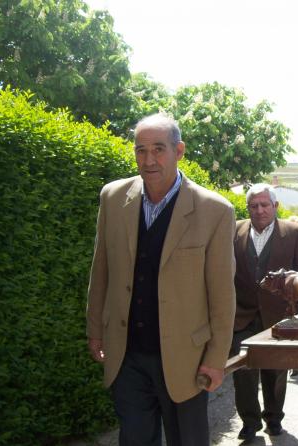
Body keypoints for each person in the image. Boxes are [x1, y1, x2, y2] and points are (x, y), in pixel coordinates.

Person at [86, 113, 236, 446]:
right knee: (135, 439)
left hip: (187, 359)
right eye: (140, 150)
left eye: (158, 149)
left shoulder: (215, 211)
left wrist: (215, 359)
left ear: (178, 151)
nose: (149, 160)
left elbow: (222, 296)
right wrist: (95, 330)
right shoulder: (113, 197)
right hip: (127, 356)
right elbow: (101, 271)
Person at [232, 184, 298, 442]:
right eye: (254, 206)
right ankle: (249, 422)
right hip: (241, 316)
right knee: (242, 372)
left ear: (275, 206)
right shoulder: (233, 230)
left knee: (275, 372)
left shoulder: (294, 232)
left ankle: (274, 418)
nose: (259, 210)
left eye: (264, 205)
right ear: (248, 208)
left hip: (279, 317)